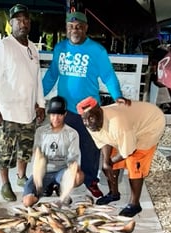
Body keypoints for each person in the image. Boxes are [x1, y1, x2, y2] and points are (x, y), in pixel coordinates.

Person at [42, 11, 130, 198]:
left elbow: (108, 76)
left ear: (86, 29)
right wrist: (37, 97)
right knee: (61, 147)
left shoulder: (97, 51)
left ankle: (90, 180)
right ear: (66, 29)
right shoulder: (60, 48)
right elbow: (51, 75)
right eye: (71, 27)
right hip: (64, 109)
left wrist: (118, 96)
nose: (75, 30)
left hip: (89, 110)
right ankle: (59, 179)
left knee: (90, 148)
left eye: (79, 27)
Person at [0, 3, 45, 202]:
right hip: (8, 111)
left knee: (25, 148)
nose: (23, 23)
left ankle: (21, 177)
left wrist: (41, 104)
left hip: (28, 110)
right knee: (5, 150)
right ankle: (5, 184)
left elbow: (37, 79)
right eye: (18, 20)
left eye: (26, 19)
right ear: (11, 23)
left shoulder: (33, 48)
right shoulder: (3, 46)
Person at [77, 97, 166, 217]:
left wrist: (110, 162)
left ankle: (135, 204)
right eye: (84, 120)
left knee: (134, 162)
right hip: (129, 126)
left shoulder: (117, 123)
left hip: (151, 124)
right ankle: (114, 194)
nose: (87, 123)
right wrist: (106, 162)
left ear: (99, 111)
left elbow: (128, 151)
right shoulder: (91, 123)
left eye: (90, 118)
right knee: (109, 160)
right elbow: (104, 141)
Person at [22, 96, 84, 207]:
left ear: (65, 114)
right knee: (27, 202)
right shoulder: (41, 131)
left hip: (62, 171)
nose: (56, 118)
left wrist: (73, 168)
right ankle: (46, 187)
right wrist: (38, 177)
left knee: (79, 176)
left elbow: (74, 157)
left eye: (59, 114)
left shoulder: (72, 133)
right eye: (53, 115)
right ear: (49, 115)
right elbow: (36, 155)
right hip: (44, 171)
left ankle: (61, 188)